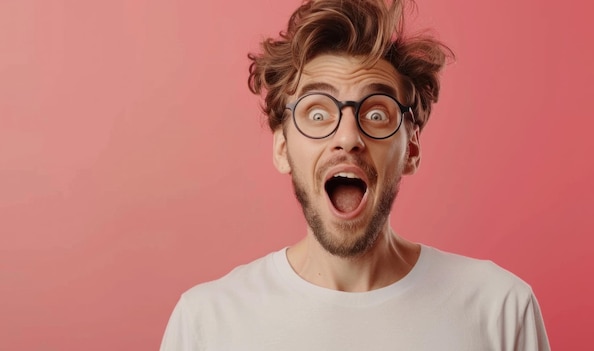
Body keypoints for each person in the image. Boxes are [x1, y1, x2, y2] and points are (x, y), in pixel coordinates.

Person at [160, 0, 550, 349]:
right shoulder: (206, 323)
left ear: (411, 149)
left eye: (376, 114)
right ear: (282, 148)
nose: (348, 137)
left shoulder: (500, 310)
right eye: (317, 113)